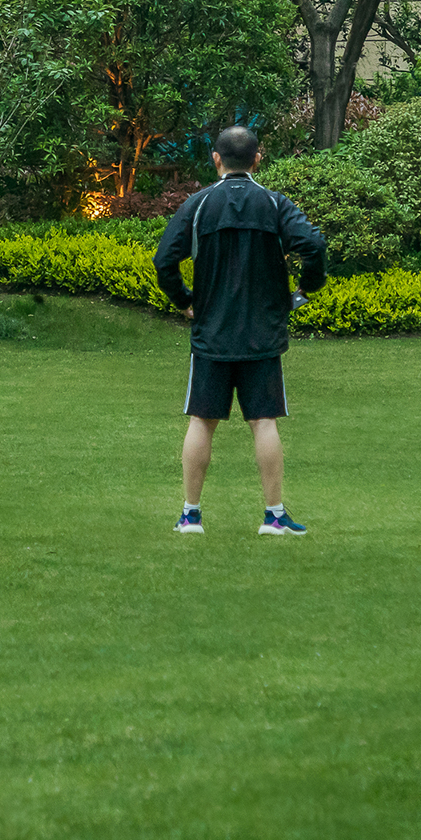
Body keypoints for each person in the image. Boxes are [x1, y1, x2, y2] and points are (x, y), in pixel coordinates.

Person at [153, 126, 327, 537]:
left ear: (216, 159)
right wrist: (307, 289)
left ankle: (190, 516)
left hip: (211, 331)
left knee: (201, 420)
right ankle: (274, 516)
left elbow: (164, 260)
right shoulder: (274, 203)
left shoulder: (198, 205)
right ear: (257, 159)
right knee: (264, 421)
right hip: (261, 332)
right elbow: (314, 246)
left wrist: (184, 300)